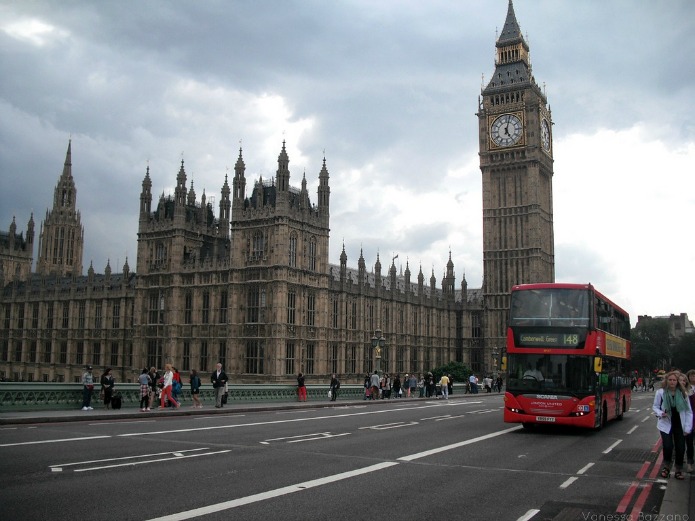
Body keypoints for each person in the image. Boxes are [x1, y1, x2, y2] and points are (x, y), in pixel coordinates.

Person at [653, 370, 693, 480]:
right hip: (665, 424)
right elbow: (655, 407)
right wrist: (661, 413)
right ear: (666, 381)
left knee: (680, 448)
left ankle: (678, 470)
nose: (672, 382)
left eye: (674, 380)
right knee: (668, 446)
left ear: (677, 382)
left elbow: (689, 412)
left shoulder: (683, 393)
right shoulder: (661, 393)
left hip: (680, 425)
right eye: (670, 380)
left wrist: (688, 427)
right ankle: (666, 467)